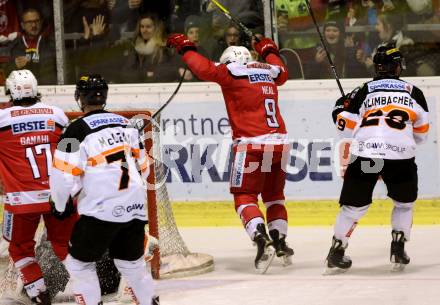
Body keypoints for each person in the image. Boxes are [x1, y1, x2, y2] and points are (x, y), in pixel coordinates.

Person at [167, 33, 293, 273]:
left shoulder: (232, 71)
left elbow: (204, 69)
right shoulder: (268, 71)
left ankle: (260, 239)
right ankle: (280, 241)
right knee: (274, 196)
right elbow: (282, 72)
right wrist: (268, 49)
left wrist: (185, 48)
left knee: (244, 196)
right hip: (279, 144)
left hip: (252, 145)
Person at [49, 74, 158, 304]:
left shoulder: (73, 131)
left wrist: (60, 205)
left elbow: (62, 176)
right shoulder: (127, 124)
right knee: (132, 266)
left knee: (79, 264)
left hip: (100, 211)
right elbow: (145, 168)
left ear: (80, 99)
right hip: (135, 206)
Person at [327, 44, 429, 273]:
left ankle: (337, 250)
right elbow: (422, 135)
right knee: (404, 204)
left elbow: (344, 127)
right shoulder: (414, 91)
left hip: (366, 153)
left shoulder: (363, 89)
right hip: (400, 156)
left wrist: (338, 109)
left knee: (353, 207)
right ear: (397, 67)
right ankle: (398, 247)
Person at [0, 69, 77, 304]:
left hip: (21, 201)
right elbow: (72, 149)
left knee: (19, 249)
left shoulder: (1, 118)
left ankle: (38, 293)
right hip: (60, 195)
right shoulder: (57, 114)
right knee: (66, 245)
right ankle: (91, 286)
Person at [9, 8, 56, 84]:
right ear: (22, 25)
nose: (34, 25)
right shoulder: (15, 46)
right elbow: (8, 70)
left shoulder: (51, 43)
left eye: (36, 21)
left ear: (41, 22)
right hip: (24, 90)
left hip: (48, 88)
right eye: (29, 22)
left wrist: (82, 39)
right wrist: (14, 65)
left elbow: (46, 60)